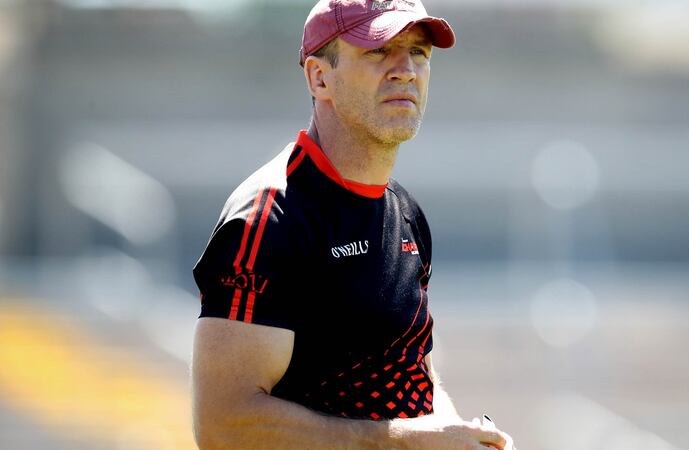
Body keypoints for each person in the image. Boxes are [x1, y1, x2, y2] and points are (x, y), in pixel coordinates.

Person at [190, 0, 515, 448]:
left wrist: (458, 435)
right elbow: (224, 425)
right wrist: (401, 441)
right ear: (319, 77)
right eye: (379, 51)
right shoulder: (270, 216)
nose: (406, 70)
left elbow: (411, 372)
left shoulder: (406, 212)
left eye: (419, 52)